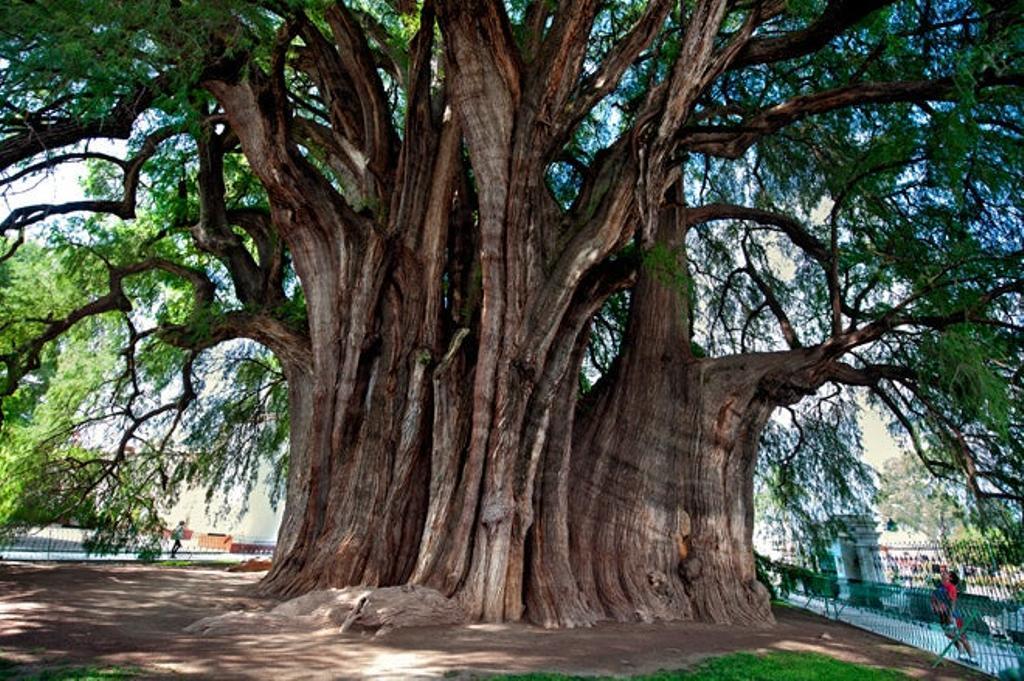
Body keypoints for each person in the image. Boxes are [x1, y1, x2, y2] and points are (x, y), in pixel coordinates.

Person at [933, 567, 978, 666]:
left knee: (960, 636)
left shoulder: (951, 587)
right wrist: (936, 607)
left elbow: (952, 603)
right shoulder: (940, 587)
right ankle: (961, 653)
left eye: (947, 573)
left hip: (952, 616)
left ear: (950, 578)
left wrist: (950, 615)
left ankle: (973, 657)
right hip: (943, 616)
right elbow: (935, 599)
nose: (944, 573)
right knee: (949, 634)